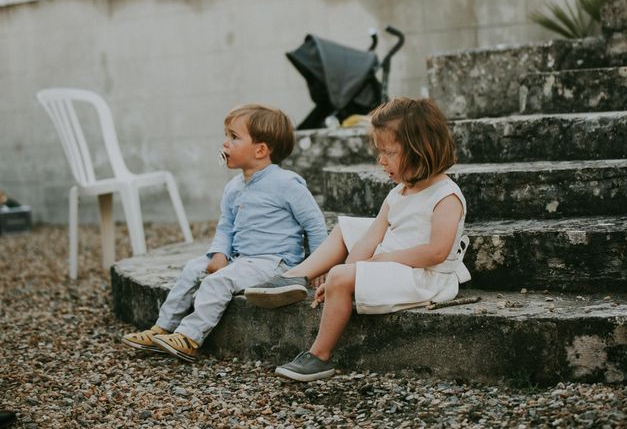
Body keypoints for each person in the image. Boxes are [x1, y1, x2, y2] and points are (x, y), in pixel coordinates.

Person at [244, 97, 471, 381]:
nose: (381, 160)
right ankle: (295, 277)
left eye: (389, 153)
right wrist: (349, 271)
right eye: (380, 152)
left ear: (421, 150)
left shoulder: (445, 196)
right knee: (346, 229)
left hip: (422, 275)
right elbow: (371, 237)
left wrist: (358, 270)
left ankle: (320, 356)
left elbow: (437, 252)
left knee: (340, 276)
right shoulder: (398, 192)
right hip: (393, 259)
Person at [122, 104, 327, 362]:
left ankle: (190, 337)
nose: (225, 143)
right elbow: (226, 225)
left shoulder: (287, 184)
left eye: (234, 137)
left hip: (273, 262)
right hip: (240, 258)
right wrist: (219, 253)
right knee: (191, 270)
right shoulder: (234, 187)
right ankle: (162, 327)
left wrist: (319, 266)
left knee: (219, 281)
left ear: (261, 150)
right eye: (226, 136)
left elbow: (315, 224)